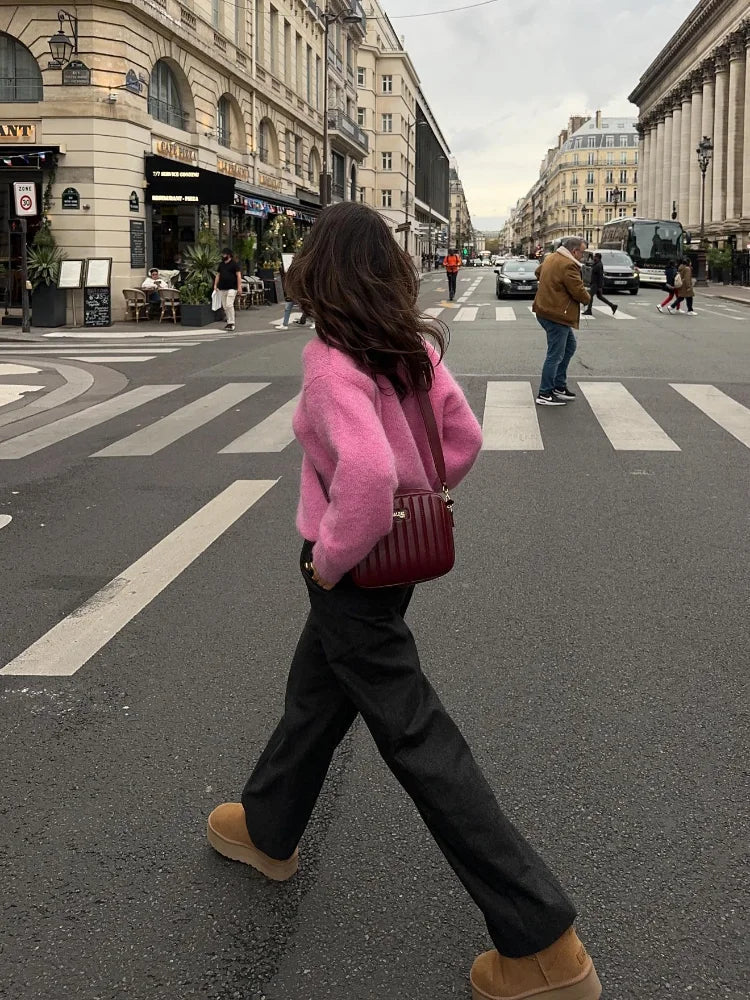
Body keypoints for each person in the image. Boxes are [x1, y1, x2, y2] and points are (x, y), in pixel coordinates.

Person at [207, 202, 601, 1000]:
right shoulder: (410, 349)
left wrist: (331, 559)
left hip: (350, 564)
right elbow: (464, 441)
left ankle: (541, 940)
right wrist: (418, 500)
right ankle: (268, 825)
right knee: (316, 694)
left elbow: (365, 476)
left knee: (416, 735)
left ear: (318, 274)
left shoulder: (331, 361)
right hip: (399, 560)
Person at [532, 236, 591, 407]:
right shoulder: (568, 265)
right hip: (557, 314)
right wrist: (587, 298)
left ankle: (558, 386)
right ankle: (545, 392)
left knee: (569, 347)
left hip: (546, 310)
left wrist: (551, 287)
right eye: (582, 252)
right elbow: (578, 291)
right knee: (555, 354)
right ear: (574, 251)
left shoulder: (552, 258)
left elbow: (538, 272)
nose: (583, 256)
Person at [214, 246, 242, 331]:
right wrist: (215, 285)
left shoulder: (234, 264)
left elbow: (238, 275)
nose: (223, 256)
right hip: (222, 288)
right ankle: (229, 322)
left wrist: (239, 287)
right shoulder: (221, 264)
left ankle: (232, 323)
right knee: (225, 306)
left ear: (229, 255)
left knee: (229, 304)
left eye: (224, 254)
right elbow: (218, 275)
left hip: (232, 288)